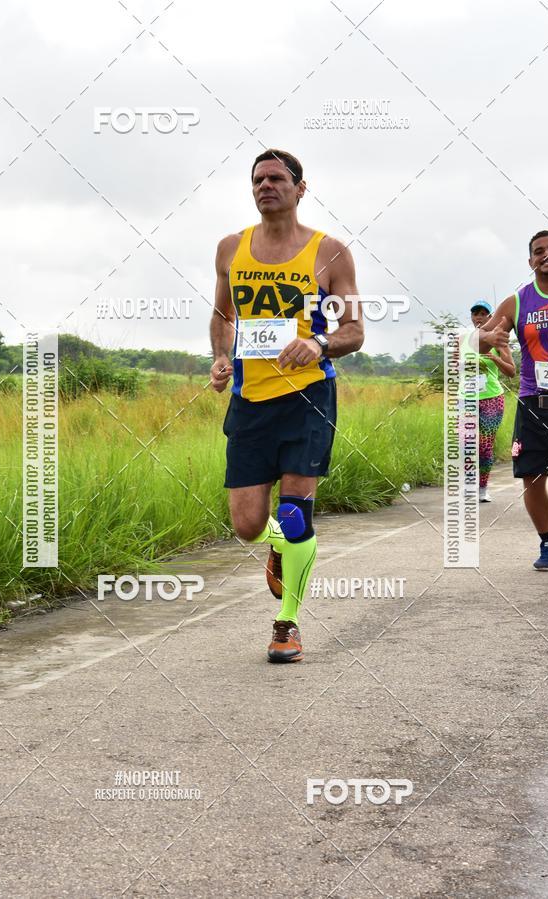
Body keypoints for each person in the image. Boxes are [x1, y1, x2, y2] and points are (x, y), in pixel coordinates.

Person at [210, 148, 364, 661]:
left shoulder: (330, 253)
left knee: (296, 515)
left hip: (309, 398)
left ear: (301, 188)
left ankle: (287, 624)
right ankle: (278, 544)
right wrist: (220, 358)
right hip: (250, 402)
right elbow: (223, 314)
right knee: (248, 526)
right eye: (258, 180)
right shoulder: (231, 248)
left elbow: (355, 331)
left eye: (277, 178)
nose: (265, 186)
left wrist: (319, 344)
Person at [479, 230, 548, 569]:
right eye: (539, 251)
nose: (546, 255)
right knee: (532, 477)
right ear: (531, 261)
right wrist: (489, 337)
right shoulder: (518, 301)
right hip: (535, 403)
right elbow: (481, 342)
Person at [468, 300, 515, 502]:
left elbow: (512, 371)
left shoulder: (498, 342)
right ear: (471, 317)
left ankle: (482, 488)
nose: (479, 317)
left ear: (490, 317)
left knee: (485, 446)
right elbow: (451, 368)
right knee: (465, 444)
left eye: (483, 314)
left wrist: (494, 358)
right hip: (466, 399)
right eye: (475, 314)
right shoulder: (463, 340)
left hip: (491, 399)